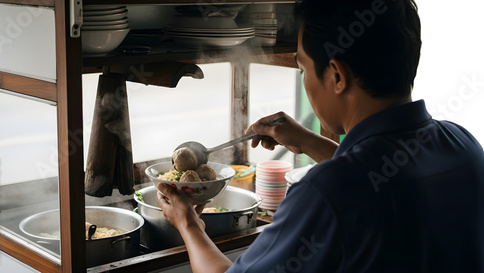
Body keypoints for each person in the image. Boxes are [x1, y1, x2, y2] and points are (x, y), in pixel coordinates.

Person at [157, 0, 484, 272]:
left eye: (303, 69)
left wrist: (188, 224)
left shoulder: (325, 192)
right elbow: (383, 176)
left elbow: (351, 187)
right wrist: (310, 142)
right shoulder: (464, 146)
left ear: (337, 75)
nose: (305, 81)